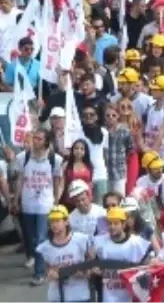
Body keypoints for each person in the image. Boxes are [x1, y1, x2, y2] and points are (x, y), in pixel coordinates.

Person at [14, 127, 64, 285]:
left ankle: (39, 272)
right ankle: (43, 261)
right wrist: (15, 199)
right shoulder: (24, 157)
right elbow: (20, 179)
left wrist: (56, 200)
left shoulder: (54, 159)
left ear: (46, 141)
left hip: (45, 204)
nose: (35, 141)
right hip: (27, 203)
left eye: (39, 139)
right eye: (34, 138)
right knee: (30, 237)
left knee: (41, 238)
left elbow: (57, 180)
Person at [92, 206, 153, 302]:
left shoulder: (136, 243)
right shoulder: (99, 242)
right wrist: (95, 270)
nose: (112, 227)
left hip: (130, 296)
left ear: (124, 224)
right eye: (110, 223)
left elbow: (149, 262)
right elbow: (94, 265)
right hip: (108, 297)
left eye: (116, 223)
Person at [37, 205, 91, 299]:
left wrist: (84, 273)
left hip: (79, 295)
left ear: (66, 221)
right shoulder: (45, 247)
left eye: (58, 221)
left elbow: (90, 265)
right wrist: (50, 273)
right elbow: (48, 270)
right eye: (52, 221)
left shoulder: (81, 240)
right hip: (57, 295)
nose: (54, 225)